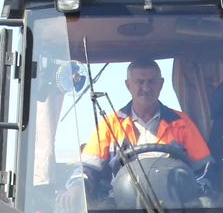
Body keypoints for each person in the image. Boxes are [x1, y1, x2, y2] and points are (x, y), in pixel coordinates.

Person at [81, 58, 212, 168]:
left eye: (151, 82)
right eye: (140, 82)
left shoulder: (182, 123)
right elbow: (88, 169)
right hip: (120, 198)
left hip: (173, 197)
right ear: (128, 85)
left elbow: (205, 169)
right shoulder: (110, 125)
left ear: (161, 84)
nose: (146, 87)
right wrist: (76, 187)